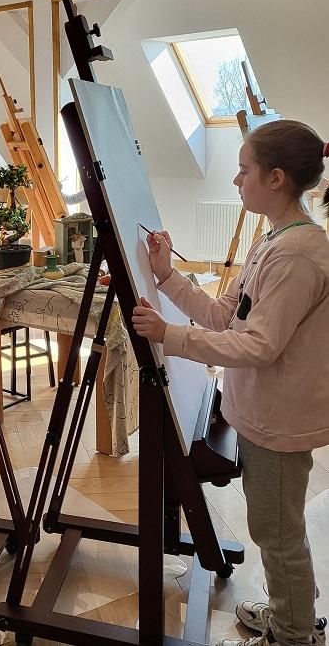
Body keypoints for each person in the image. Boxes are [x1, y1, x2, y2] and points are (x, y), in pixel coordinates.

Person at [131, 120, 329, 646]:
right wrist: (167, 276)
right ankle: (294, 615)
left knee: (277, 533)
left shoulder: (297, 254)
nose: (237, 181)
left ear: (276, 178)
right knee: (276, 528)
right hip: (260, 412)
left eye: (244, 171)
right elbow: (226, 315)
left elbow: (259, 346)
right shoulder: (274, 239)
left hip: (278, 422)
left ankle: (293, 635)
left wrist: (171, 336)